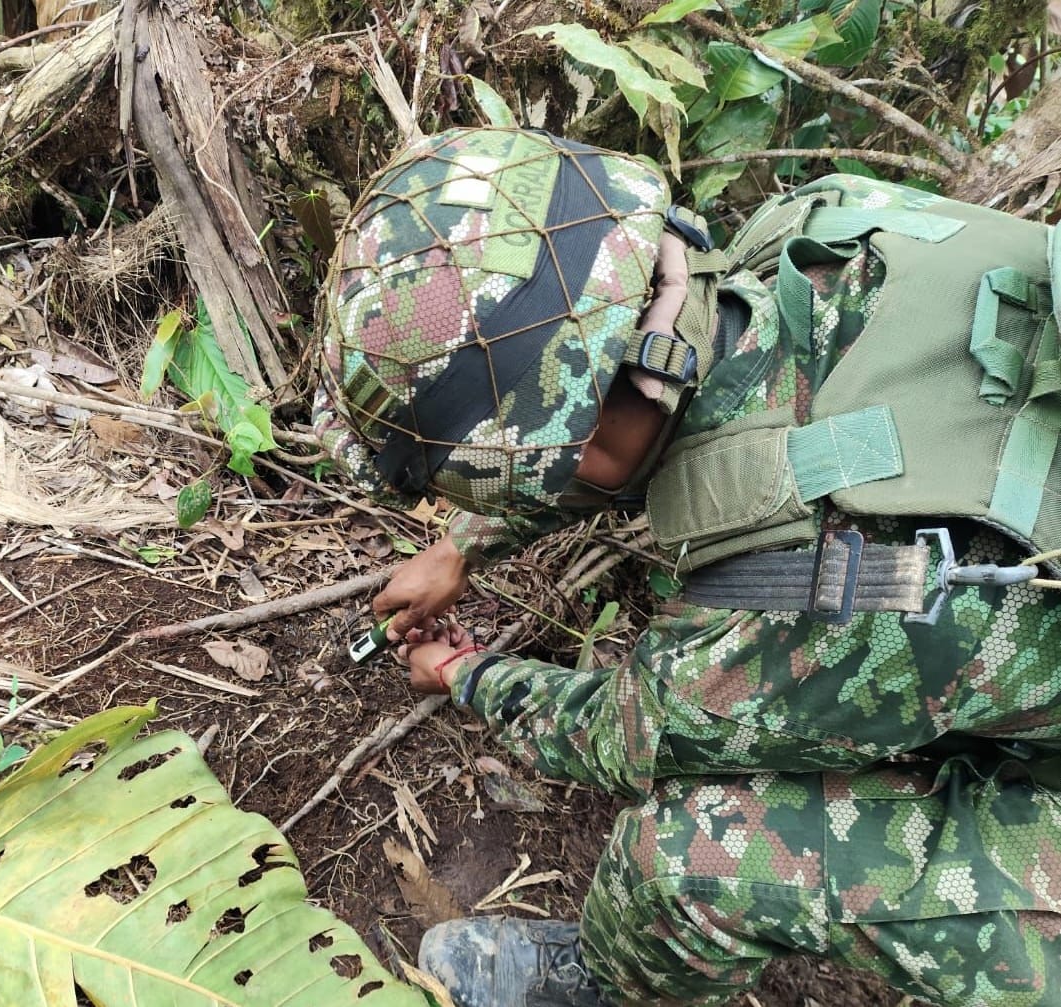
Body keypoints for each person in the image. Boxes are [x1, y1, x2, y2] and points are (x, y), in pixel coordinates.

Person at [313, 126, 1061, 1007]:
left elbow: (620, 735)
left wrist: (463, 672)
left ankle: (610, 985)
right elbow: (636, 399)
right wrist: (460, 546)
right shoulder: (821, 231)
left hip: (937, 621)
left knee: (682, 856)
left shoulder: (815, 595)